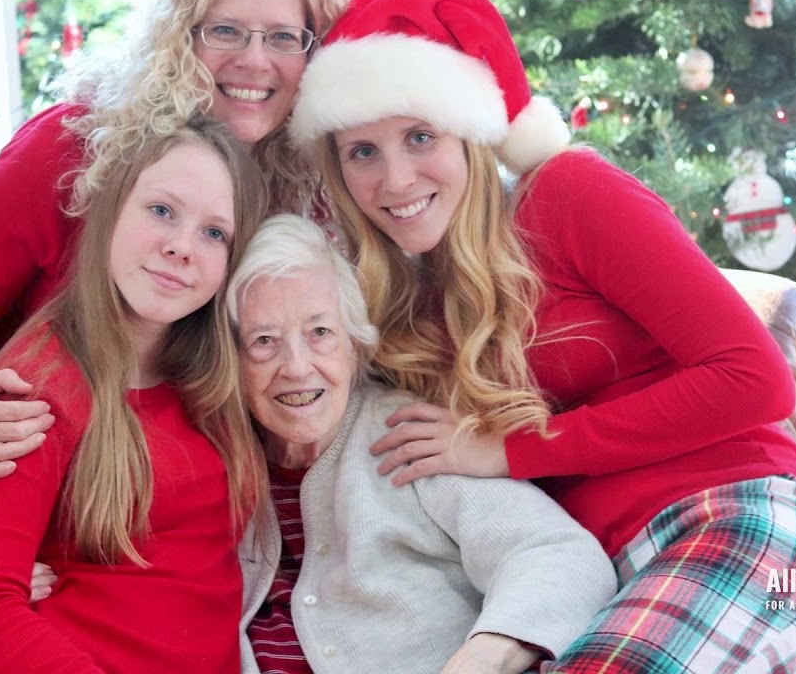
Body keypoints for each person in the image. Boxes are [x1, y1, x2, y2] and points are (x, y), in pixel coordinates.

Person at [288, 0, 796, 673]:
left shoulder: (568, 194)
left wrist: (514, 450)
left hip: (736, 518)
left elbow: (756, 381)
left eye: (420, 136)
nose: (395, 179)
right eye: (362, 152)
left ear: (471, 133)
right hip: (604, 579)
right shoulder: (405, 305)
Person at [0, 0, 345, 672]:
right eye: (225, 29)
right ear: (180, 35)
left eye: (284, 37)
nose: (254, 60)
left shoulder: (279, 176)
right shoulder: (71, 148)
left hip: (76, 394)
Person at [0, 116, 270, 672]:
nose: (181, 247)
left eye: (215, 232)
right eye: (162, 211)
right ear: (111, 208)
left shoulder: (220, 371)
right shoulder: (41, 384)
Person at [228, 214, 615, 674]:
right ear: (229, 358)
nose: (296, 366)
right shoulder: (220, 460)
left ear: (355, 344)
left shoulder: (402, 431)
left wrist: (481, 659)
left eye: (320, 333)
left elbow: (560, 554)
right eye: (264, 340)